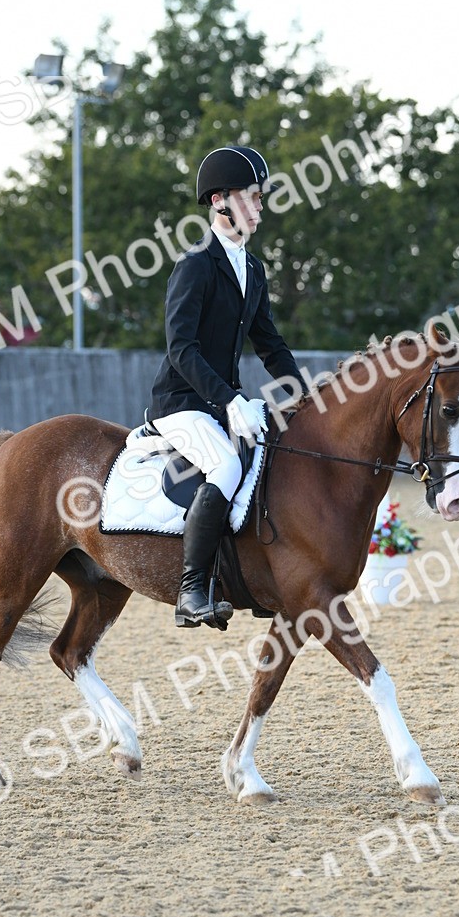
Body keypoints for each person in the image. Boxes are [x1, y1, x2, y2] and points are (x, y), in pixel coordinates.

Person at [149, 145, 303, 629]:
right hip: (182, 403)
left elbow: (270, 343)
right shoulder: (195, 264)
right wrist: (231, 399)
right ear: (220, 201)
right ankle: (192, 590)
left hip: (220, 405)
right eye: (253, 198)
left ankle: (252, 579)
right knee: (226, 465)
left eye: (260, 199)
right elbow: (181, 349)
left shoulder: (252, 268)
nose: (260, 208)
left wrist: (303, 397)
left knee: (272, 462)